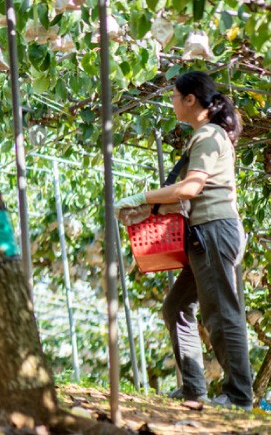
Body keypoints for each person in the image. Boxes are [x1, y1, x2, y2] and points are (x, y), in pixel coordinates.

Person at [114, 71, 252, 410]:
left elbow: (191, 188)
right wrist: (150, 206)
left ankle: (239, 396)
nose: (172, 102)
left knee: (221, 312)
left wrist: (142, 197)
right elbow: (192, 195)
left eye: (175, 96)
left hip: (214, 232)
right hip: (205, 232)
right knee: (176, 307)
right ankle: (193, 387)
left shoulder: (208, 135)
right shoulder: (205, 136)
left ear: (191, 100)